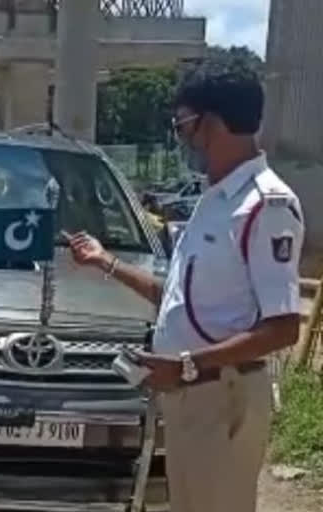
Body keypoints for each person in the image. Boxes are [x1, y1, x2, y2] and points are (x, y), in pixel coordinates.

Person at [66, 64, 303, 512]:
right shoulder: (215, 203)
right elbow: (180, 301)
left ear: (210, 123)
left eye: (183, 126)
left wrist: (188, 366)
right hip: (193, 397)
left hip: (222, 398)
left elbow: (283, 328)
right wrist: (106, 262)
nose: (183, 140)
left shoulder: (264, 206)